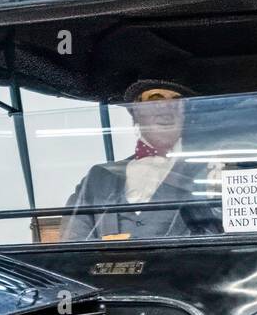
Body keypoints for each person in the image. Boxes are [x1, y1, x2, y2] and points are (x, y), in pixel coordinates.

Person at [60, 80, 213, 241]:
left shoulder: (208, 170)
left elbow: (219, 239)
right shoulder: (98, 177)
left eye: (177, 101)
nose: (167, 110)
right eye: (155, 99)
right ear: (137, 111)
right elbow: (72, 244)